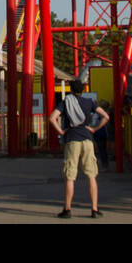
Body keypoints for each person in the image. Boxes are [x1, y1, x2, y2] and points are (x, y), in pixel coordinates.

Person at [48, 79, 110, 218]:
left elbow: (52, 118)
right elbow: (106, 116)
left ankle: (67, 209)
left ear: (71, 89)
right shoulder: (90, 102)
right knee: (91, 175)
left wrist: (62, 131)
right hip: (87, 139)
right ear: (83, 90)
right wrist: (94, 129)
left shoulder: (65, 102)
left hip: (72, 140)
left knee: (70, 176)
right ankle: (94, 209)